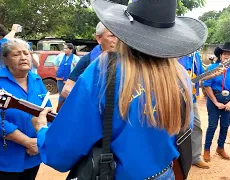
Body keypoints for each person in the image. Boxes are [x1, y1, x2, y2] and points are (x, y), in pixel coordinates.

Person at [31, 0, 207, 179]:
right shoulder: (180, 75)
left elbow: (60, 151)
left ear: (123, 29)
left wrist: (42, 130)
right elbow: (185, 127)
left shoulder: (103, 71)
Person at [0, 38, 51, 180]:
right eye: (16, 55)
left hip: (33, 155)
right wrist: (26, 141)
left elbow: (47, 111)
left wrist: (40, 138)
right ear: (6, 60)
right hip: (5, 158)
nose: (23, 57)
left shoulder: (36, 80)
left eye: (26, 53)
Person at [178, 51, 224, 169]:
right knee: (175, 127)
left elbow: (201, 76)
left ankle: (196, 157)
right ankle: (174, 158)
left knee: (196, 125)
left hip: (191, 98)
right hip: (175, 97)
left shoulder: (195, 56)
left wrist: (214, 74)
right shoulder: (175, 54)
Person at [203, 42, 230, 161]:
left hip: (228, 101)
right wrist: (215, 102)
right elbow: (206, 85)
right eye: (224, 53)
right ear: (220, 55)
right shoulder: (212, 68)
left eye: (229, 54)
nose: (226, 56)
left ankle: (220, 148)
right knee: (212, 125)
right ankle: (207, 149)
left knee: (225, 126)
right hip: (214, 100)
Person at [60, 22, 118, 99]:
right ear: (99, 38)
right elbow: (66, 90)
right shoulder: (88, 60)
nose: (116, 40)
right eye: (111, 36)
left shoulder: (127, 59)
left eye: (119, 36)